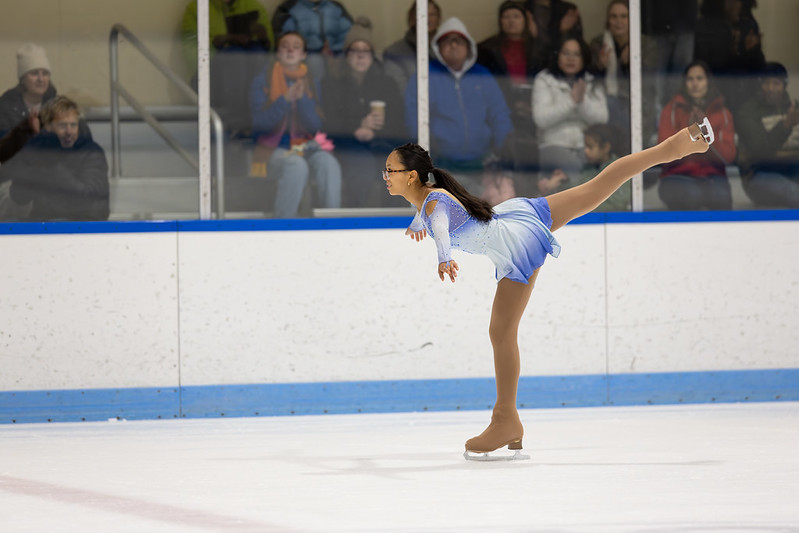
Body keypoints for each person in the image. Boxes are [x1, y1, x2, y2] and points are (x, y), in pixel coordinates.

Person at [383, 122, 712, 458]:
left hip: (516, 242)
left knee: (501, 331)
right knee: (596, 187)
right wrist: (416, 224)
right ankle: (674, 147)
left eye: (389, 170)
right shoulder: (428, 199)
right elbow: (432, 215)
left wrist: (443, 258)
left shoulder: (434, 202)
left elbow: (439, 223)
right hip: (514, 217)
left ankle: (505, 419)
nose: (385, 175)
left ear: (410, 176)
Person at [405, 17, 513, 198]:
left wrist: (503, 150)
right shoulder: (426, 75)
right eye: (447, 41)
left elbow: (499, 114)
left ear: (469, 46)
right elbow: (413, 117)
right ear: (438, 48)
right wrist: (426, 154)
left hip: (482, 164)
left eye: (459, 41)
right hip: (442, 166)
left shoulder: (482, 75)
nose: (454, 45)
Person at [250, 31, 341, 218]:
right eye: (285, 45)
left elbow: (315, 125)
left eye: (296, 46)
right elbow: (259, 124)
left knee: (328, 163)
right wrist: (284, 100)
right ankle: (284, 224)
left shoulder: (313, 83)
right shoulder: (262, 81)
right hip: (272, 148)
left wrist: (300, 101)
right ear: (278, 53)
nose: (290, 49)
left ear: (303, 55)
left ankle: (333, 222)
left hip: (305, 146)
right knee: (295, 165)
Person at [321, 17, 405, 208]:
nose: (360, 56)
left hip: (382, 143)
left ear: (372, 55)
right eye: (355, 51)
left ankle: (393, 226)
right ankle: (357, 225)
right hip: (346, 146)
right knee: (362, 166)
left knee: (396, 168)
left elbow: (399, 122)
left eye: (365, 51)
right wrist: (357, 127)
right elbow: (328, 124)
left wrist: (374, 131)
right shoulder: (332, 85)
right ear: (346, 55)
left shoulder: (386, 84)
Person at [0, 96, 109, 221]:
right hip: (46, 223)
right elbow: (19, 197)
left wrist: (53, 165)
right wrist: (30, 164)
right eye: (62, 125)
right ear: (48, 127)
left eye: (73, 125)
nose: (69, 131)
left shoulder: (91, 152)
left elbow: (86, 198)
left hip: (85, 225)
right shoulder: (41, 151)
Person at [477, 0, 545, 193]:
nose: (511, 21)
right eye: (506, 17)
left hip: (534, 112)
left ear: (526, 20)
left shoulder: (539, 49)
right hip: (502, 112)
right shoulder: (487, 49)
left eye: (516, 16)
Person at [182, 0, 274, 135]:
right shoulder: (197, 7)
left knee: (256, 53)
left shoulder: (253, 6)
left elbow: (270, 49)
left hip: (248, 69)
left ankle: (254, 120)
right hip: (212, 74)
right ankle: (238, 121)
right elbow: (191, 51)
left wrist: (262, 37)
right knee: (233, 55)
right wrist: (224, 40)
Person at [533, 36, 608, 195]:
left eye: (576, 54)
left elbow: (602, 119)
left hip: (585, 147)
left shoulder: (592, 80)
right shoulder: (544, 79)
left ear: (584, 58)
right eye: (566, 53)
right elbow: (541, 118)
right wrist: (571, 102)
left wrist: (582, 102)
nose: (570, 58)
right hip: (552, 145)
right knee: (573, 165)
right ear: (557, 55)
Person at [656, 60, 736, 210]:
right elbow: (663, 154)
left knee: (721, 197)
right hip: (676, 176)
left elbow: (728, 156)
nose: (695, 83)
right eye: (690, 79)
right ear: (684, 83)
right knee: (692, 196)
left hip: (713, 177)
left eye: (699, 78)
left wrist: (706, 134)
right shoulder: (671, 111)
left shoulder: (723, 114)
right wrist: (689, 131)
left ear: (708, 82)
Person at [589, 0, 657, 149]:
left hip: (638, 105)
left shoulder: (646, 44)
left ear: (632, 18)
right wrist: (600, 66)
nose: (618, 21)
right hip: (606, 105)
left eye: (623, 16)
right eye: (614, 16)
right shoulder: (598, 43)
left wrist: (629, 65)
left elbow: (648, 80)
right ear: (608, 20)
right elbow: (590, 81)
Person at [736, 62, 799, 208]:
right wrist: (785, 125)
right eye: (766, 83)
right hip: (758, 175)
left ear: (784, 85)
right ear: (760, 85)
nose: (771, 88)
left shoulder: (795, 108)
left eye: (776, 83)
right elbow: (760, 150)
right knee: (794, 193)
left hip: (792, 170)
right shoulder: (747, 111)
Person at [694, 0, 765, 115]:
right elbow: (708, 66)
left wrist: (752, 50)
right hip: (714, 97)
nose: (737, 5)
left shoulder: (747, 25)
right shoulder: (706, 28)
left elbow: (759, 68)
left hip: (744, 96)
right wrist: (732, 50)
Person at [271, 0, 353, 81]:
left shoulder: (336, 7)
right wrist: (314, 49)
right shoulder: (288, 8)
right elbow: (286, 39)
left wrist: (333, 50)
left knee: (346, 60)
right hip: (306, 55)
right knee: (314, 61)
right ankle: (314, 92)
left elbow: (349, 34)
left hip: (335, 53)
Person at [383, 0, 442, 94]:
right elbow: (401, 92)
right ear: (412, 19)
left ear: (439, 20)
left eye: (432, 14)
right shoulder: (395, 53)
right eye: (423, 14)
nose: (428, 19)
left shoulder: (446, 50)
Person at [0, 43, 57, 136]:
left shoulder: (58, 106)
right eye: (34, 73)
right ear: (23, 79)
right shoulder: (5, 109)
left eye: (45, 73)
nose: (41, 79)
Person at [577, 123, 629, 211]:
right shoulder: (587, 169)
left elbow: (619, 203)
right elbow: (576, 195)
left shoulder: (621, 168)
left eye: (590, 147)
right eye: (585, 146)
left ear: (605, 147)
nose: (585, 151)